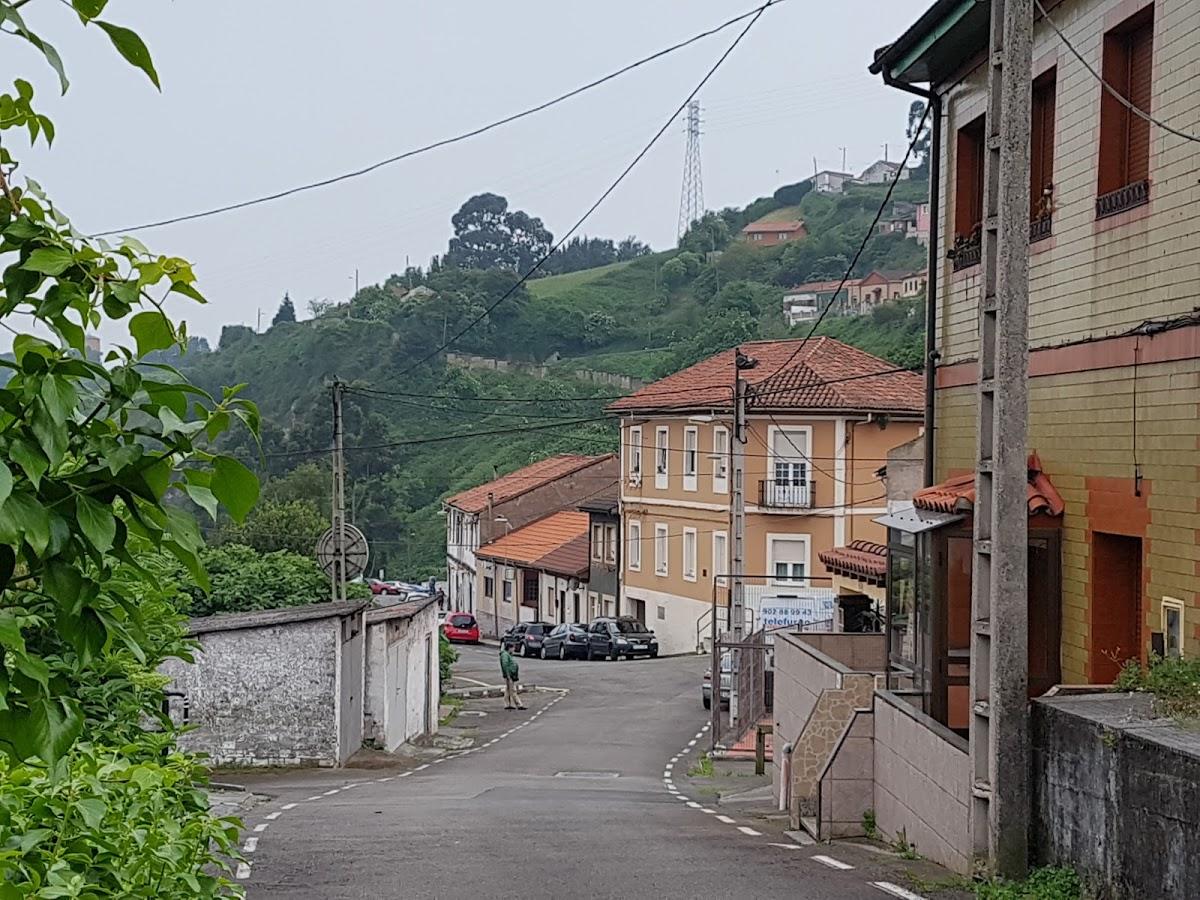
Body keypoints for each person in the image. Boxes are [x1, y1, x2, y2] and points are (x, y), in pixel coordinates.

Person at [499, 645, 525, 710]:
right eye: (513, 648)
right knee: (512, 690)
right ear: (509, 648)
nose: (514, 649)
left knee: (508, 690)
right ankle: (519, 705)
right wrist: (508, 675)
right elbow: (505, 665)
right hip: (509, 675)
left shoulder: (508, 655)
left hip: (511, 675)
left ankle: (507, 704)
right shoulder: (505, 655)